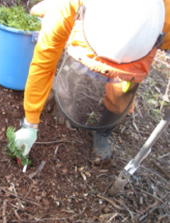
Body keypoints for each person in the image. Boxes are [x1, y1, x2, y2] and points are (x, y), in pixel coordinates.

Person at [14, 0, 170, 160]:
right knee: (43, 13)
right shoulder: (69, 7)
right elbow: (43, 62)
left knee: (122, 88)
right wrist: (30, 123)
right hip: (69, 11)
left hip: (133, 59)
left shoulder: (165, 17)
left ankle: (103, 132)